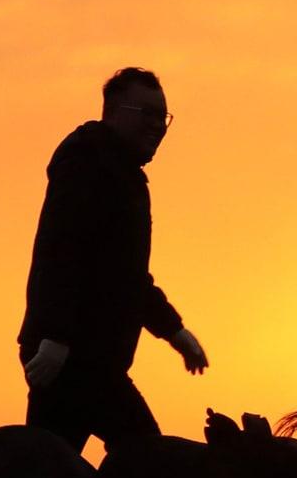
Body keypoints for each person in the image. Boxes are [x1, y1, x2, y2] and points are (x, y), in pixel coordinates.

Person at [17, 67, 207, 453]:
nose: (157, 125)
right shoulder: (87, 165)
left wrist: (174, 331)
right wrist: (56, 338)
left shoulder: (124, 176)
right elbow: (64, 250)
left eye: (163, 116)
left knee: (52, 465)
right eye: (146, 113)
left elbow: (127, 276)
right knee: (143, 455)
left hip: (95, 359)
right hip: (73, 358)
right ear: (114, 112)